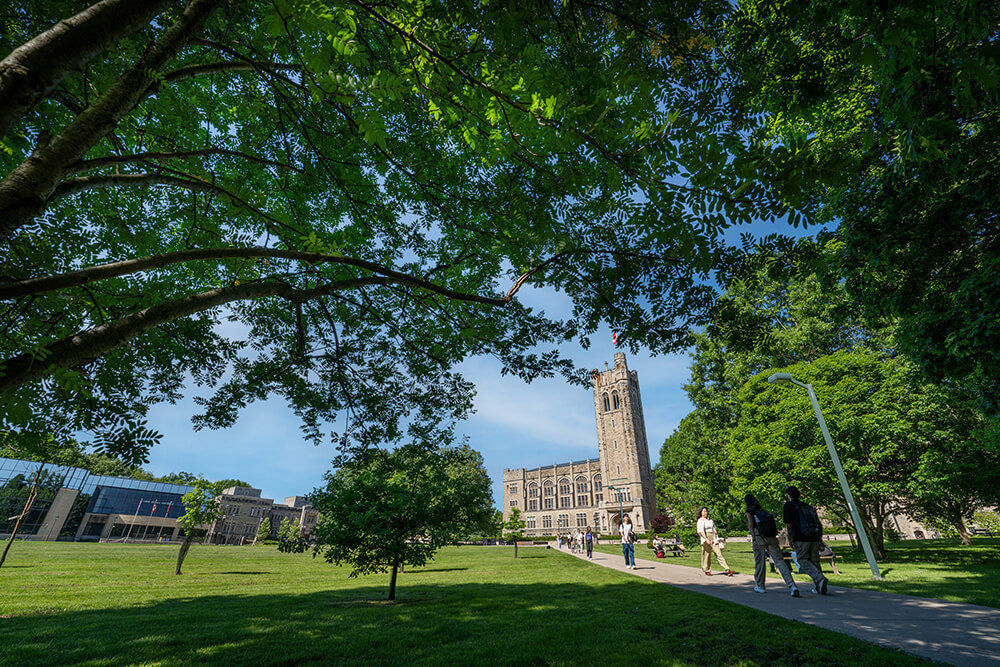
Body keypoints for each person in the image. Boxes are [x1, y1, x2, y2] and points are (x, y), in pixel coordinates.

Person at [745, 493, 799, 597]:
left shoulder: (749, 511)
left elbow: (751, 526)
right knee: (780, 562)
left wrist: (754, 539)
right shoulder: (762, 510)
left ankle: (760, 586)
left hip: (759, 537)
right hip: (771, 538)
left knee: (760, 563)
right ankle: (792, 585)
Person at [783, 485, 829, 595]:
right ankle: (820, 587)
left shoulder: (789, 506)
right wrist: (820, 539)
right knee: (815, 561)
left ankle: (820, 578)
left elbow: (789, 524)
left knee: (802, 560)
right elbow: (818, 522)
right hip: (813, 537)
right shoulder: (807, 506)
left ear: (789, 495)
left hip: (800, 536)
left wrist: (790, 538)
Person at [696, 507, 733, 576]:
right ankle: (707, 570)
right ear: (701, 512)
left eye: (706, 511)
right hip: (706, 538)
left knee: (719, 554)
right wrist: (706, 539)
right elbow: (701, 531)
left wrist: (714, 531)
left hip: (713, 538)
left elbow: (713, 527)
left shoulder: (710, 520)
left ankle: (727, 569)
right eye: (704, 511)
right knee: (707, 555)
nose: (705, 513)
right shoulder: (700, 521)